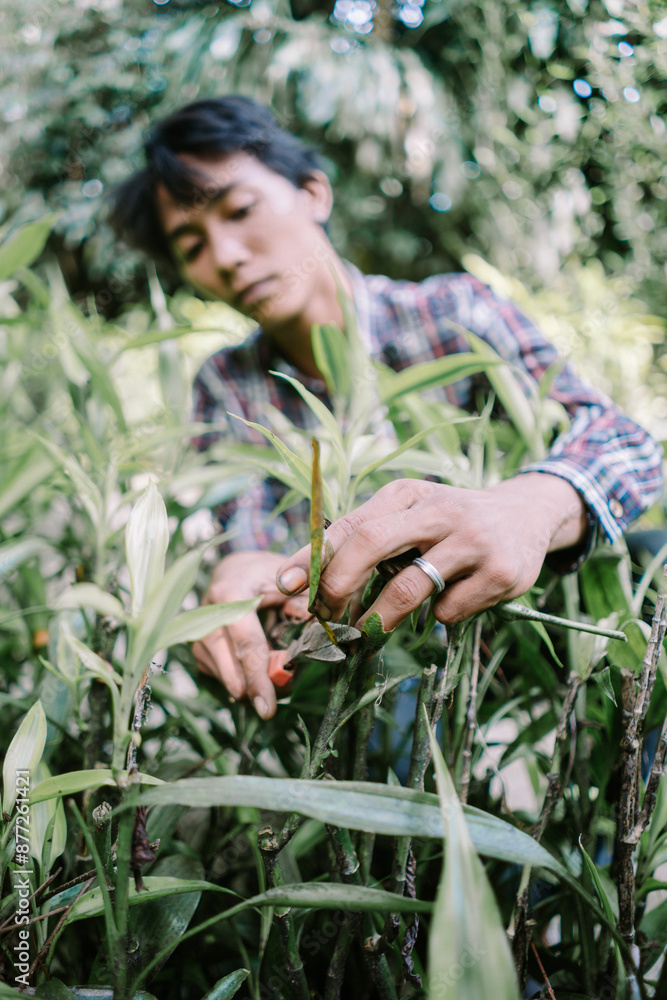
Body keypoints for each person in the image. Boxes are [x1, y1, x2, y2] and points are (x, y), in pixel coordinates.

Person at [110, 95, 663, 720]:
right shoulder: (226, 383)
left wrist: (530, 506)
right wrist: (246, 578)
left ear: (314, 193)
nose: (228, 255)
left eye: (240, 210)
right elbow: (254, 535)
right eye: (192, 245)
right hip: (378, 688)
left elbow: (625, 440)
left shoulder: (451, 314)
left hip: (528, 664)